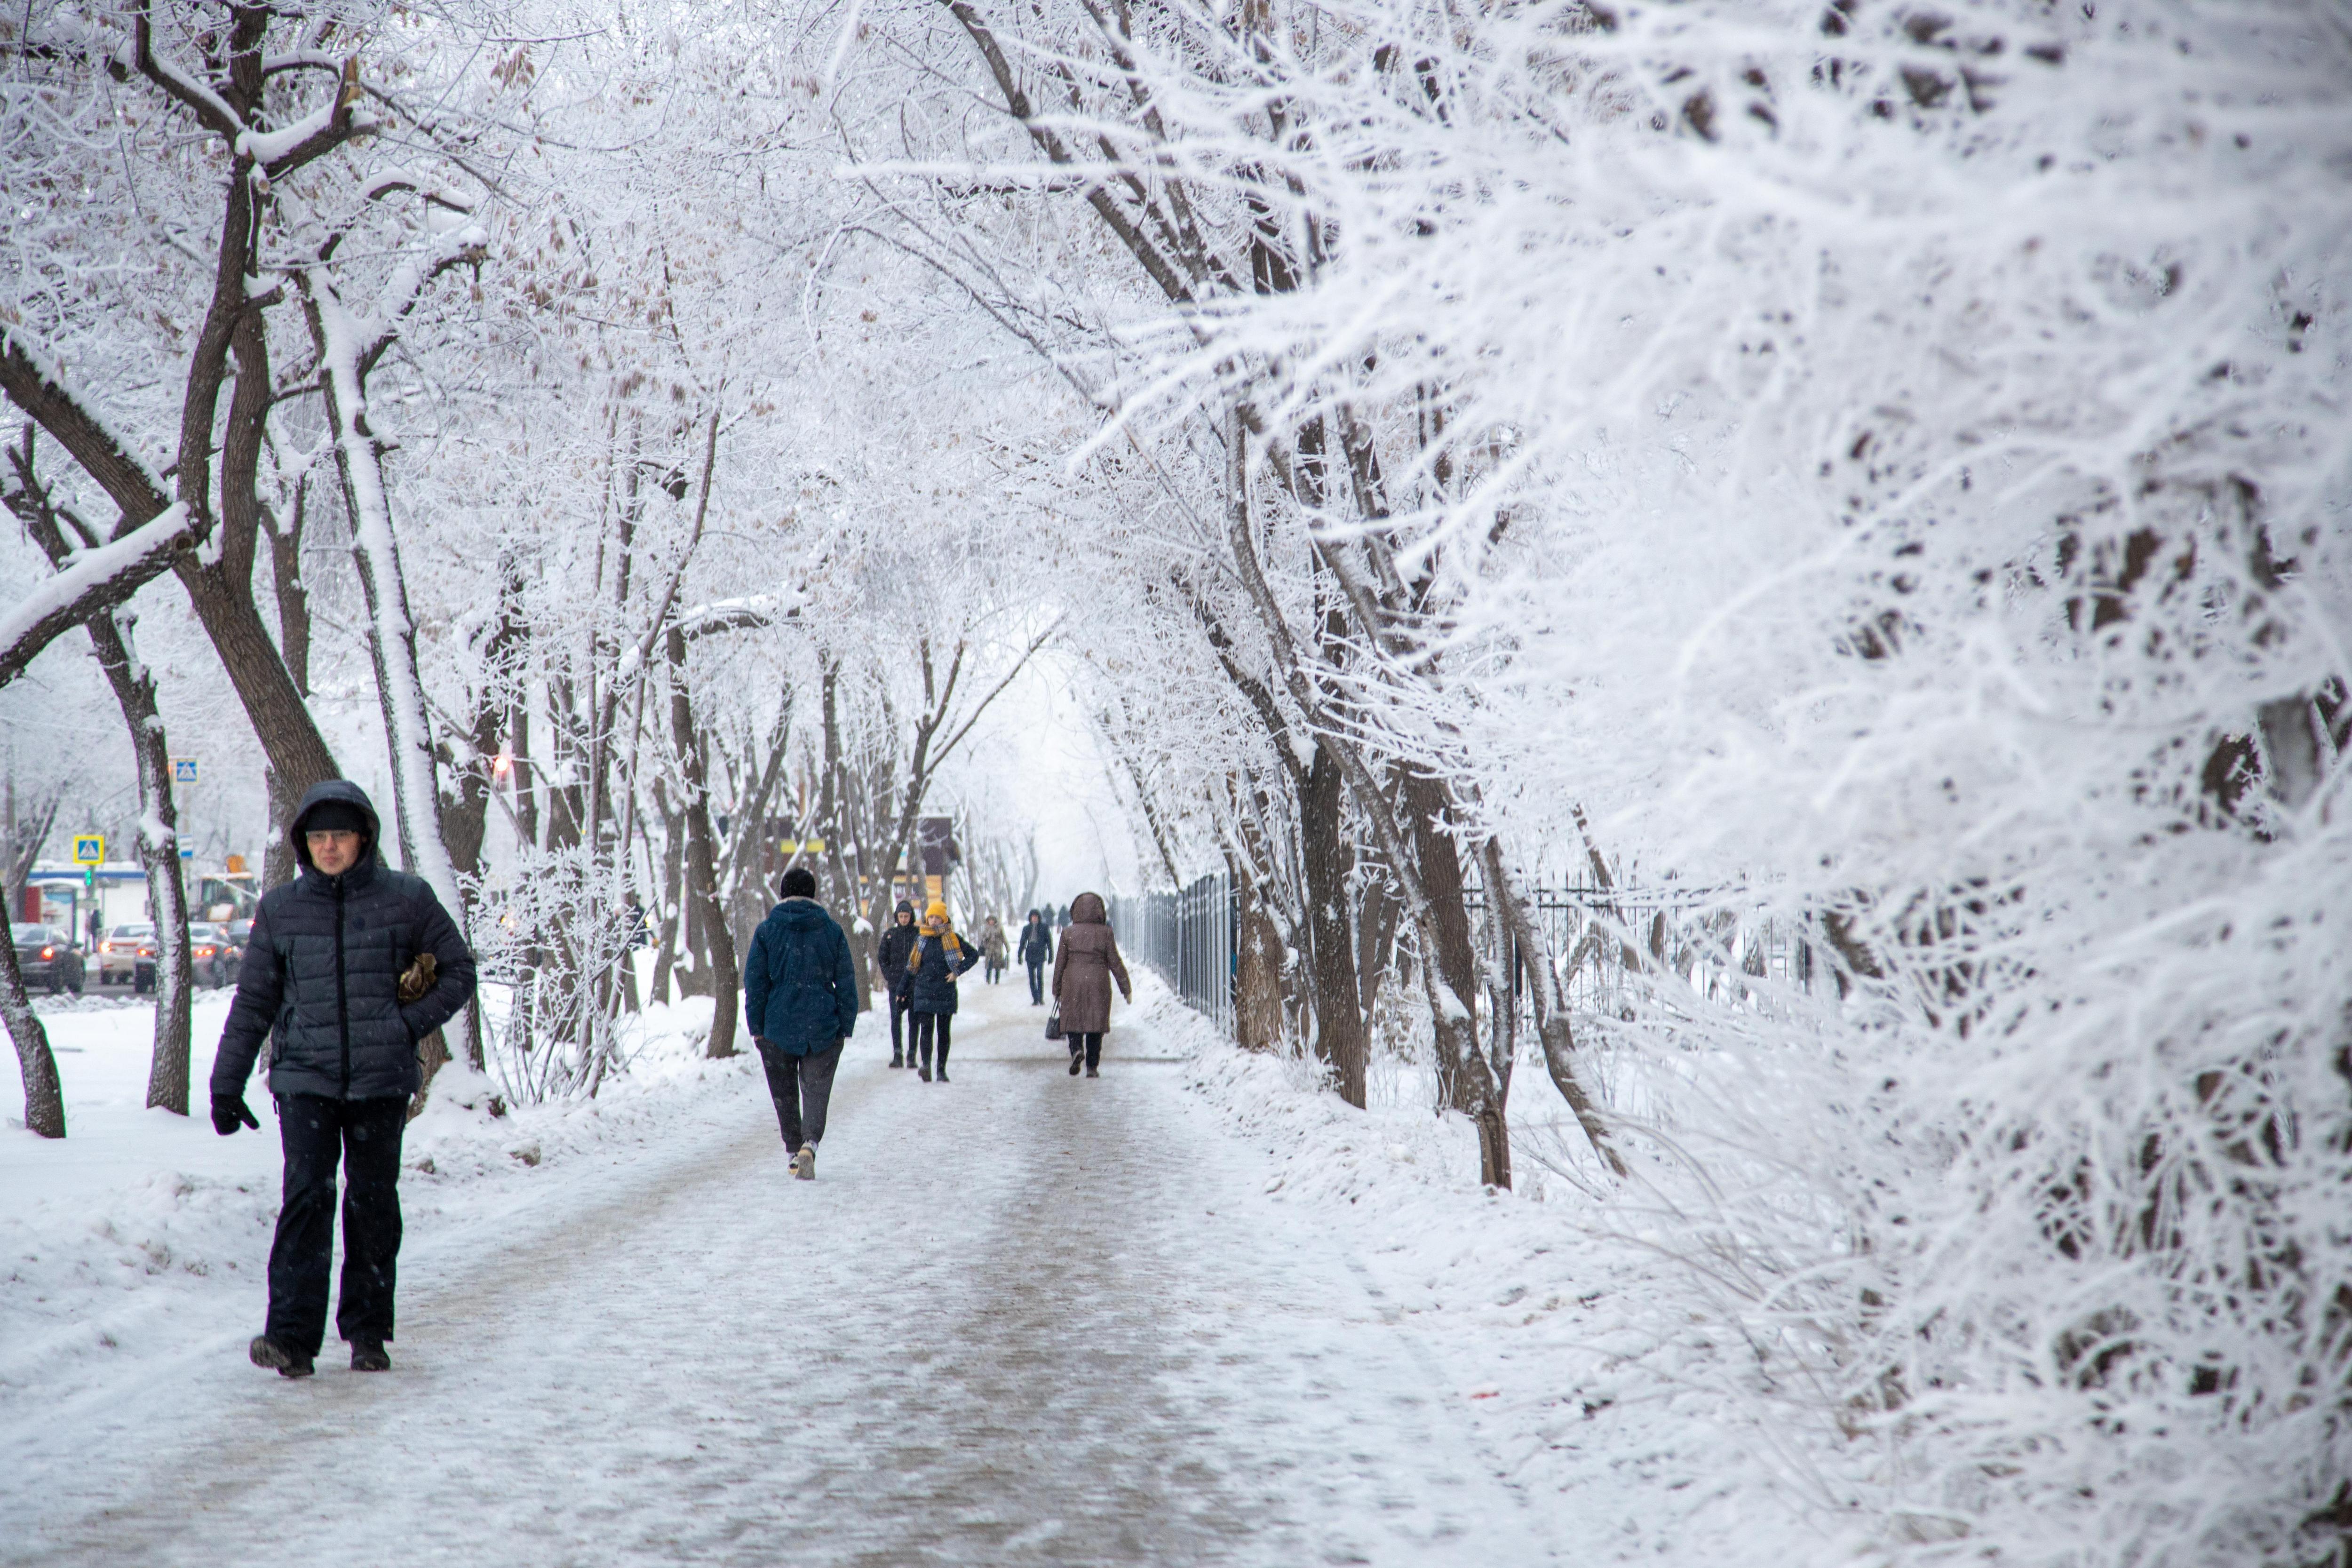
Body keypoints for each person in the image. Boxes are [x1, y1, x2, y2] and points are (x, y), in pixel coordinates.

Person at [208, 780, 477, 1379]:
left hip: (381, 1081)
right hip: (305, 1078)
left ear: (364, 839)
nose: (329, 847)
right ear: (305, 844)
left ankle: (367, 1333)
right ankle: (291, 1339)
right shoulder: (282, 908)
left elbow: (459, 969)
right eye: (318, 837)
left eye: (341, 836)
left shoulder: (406, 899)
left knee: (372, 1203)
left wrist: (405, 1023)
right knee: (306, 1198)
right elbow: (254, 1001)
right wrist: (227, 1082)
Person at [742, 866, 860, 1181]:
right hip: (822, 1022)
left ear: (782, 893)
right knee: (817, 1088)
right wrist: (846, 1022)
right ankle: (810, 1142)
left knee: (784, 1091)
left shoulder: (767, 931)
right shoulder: (831, 930)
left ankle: (794, 1148)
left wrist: (756, 1025)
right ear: (813, 893)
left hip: (777, 1023)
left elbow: (755, 982)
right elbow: (847, 980)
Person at [1051, 891, 1130, 1079]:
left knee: (1073, 1020)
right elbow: (1115, 962)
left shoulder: (1068, 933)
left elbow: (1060, 963)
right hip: (1098, 983)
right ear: (1100, 911)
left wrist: (1057, 988)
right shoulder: (1106, 933)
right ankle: (1092, 1066)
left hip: (1072, 982)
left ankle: (1077, 1049)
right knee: (1096, 1024)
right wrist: (1126, 988)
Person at [905, 899, 978, 1082]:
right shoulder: (921, 939)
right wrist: (901, 989)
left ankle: (941, 1070)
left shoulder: (952, 938)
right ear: (927, 919)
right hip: (924, 990)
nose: (934, 921)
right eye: (932, 917)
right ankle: (926, 1066)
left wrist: (957, 972)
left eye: (938, 917)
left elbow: (974, 955)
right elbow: (912, 966)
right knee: (926, 1029)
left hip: (945, 992)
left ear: (944, 919)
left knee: (944, 1032)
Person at [876, 899, 919, 1068]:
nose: (903, 919)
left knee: (914, 1020)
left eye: (906, 916)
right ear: (897, 917)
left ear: (911, 916)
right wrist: (889, 975)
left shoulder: (918, 934)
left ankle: (912, 1056)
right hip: (896, 985)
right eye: (901, 916)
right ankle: (897, 1054)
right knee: (896, 1018)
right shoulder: (890, 935)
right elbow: (882, 958)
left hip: (914, 984)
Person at [1017, 909, 1053, 1006]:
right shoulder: (1026, 928)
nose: (1034, 918)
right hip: (1030, 955)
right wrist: (1019, 955)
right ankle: (1035, 998)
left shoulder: (1044, 927)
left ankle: (1040, 997)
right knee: (1032, 978)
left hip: (1040, 954)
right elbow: (1023, 942)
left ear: (1039, 917)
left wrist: (1051, 955)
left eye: (1036, 916)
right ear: (1030, 918)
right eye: (1033, 916)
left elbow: (1049, 942)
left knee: (1039, 976)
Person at [980, 915, 1008, 985]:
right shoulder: (986, 929)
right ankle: (988, 980)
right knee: (989, 966)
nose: (991, 922)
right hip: (989, 950)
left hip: (997, 949)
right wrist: (985, 941)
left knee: (997, 965)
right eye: (990, 920)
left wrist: (1007, 947)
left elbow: (1003, 938)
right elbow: (983, 938)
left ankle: (997, 980)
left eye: (993, 920)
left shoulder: (999, 928)